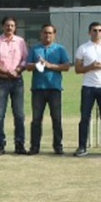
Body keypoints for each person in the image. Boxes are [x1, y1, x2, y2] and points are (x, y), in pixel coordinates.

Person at [26, 23, 71, 155]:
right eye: (45, 33)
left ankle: (58, 146)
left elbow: (66, 66)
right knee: (36, 120)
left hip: (54, 88)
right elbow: (28, 66)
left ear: (54, 35)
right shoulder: (35, 49)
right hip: (38, 89)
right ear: (41, 34)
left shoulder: (59, 49)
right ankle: (34, 147)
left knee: (56, 119)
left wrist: (49, 65)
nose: (47, 35)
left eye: (50, 33)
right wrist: (37, 64)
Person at [74, 22, 101, 157]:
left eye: (99, 30)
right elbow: (77, 69)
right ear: (89, 32)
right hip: (88, 87)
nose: (97, 32)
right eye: (94, 30)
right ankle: (82, 147)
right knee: (85, 117)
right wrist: (91, 67)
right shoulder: (83, 48)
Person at [0, 17, 29, 155]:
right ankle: (0, 144)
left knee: (19, 114)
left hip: (17, 80)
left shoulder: (20, 42)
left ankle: (20, 144)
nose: (9, 28)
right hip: (1, 80)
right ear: (2, 26)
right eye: (7, 25)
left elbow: (25, 59)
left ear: (15, 27)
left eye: (12, 25)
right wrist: (4, 71)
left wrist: (17, 70)